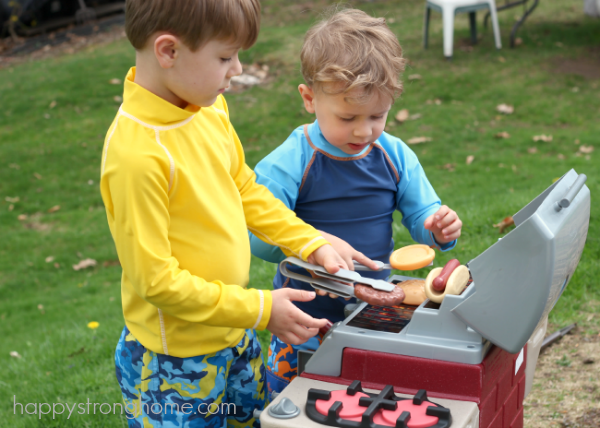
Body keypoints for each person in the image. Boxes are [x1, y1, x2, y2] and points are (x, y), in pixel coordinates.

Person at [99, 1, 373, 426]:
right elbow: (156, 281)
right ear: (168, 51)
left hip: (236, 331)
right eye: (225, 57)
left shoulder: (207, 108)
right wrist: (262, 311)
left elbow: (244, 188)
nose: (237, 69)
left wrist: (309, 241)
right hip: (174, 364)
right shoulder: (137, 157)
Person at [249, 8, 463, 396]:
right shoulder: (288, 163)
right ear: (309, 98)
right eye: (348, 117)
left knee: (370, 401)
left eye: (377, 115)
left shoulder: (394, 155)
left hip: (375, 314)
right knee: (296, 407)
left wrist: (437, 227)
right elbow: (256, 238)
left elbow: (420, 214)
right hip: (304, 321)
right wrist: (313, 247)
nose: (364, 131)